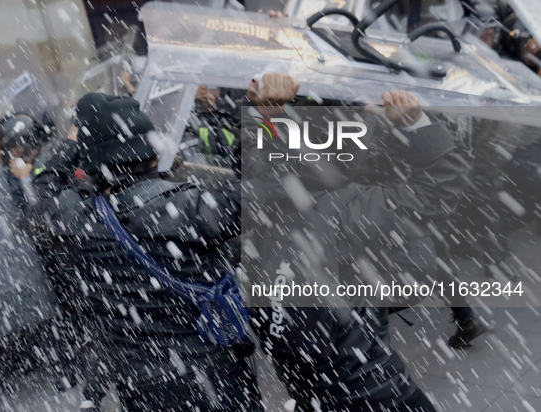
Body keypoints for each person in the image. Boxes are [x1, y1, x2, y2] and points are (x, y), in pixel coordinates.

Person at [23, 84, 299, 411]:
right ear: (155, 153)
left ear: (91, 166)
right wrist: (264, 115)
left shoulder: (75, 220)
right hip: (218, 381)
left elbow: (40, 196)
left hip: (143, 388)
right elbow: (278, 183)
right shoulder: (193, 209)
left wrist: (71, 143)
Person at [240, 76, 470, 411]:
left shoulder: (254, 200)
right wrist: (417, 124)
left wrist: (262, 112)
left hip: (308, 390)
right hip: (373, 390)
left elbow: (252, 154)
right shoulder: (354, 208)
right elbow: (437, 191)